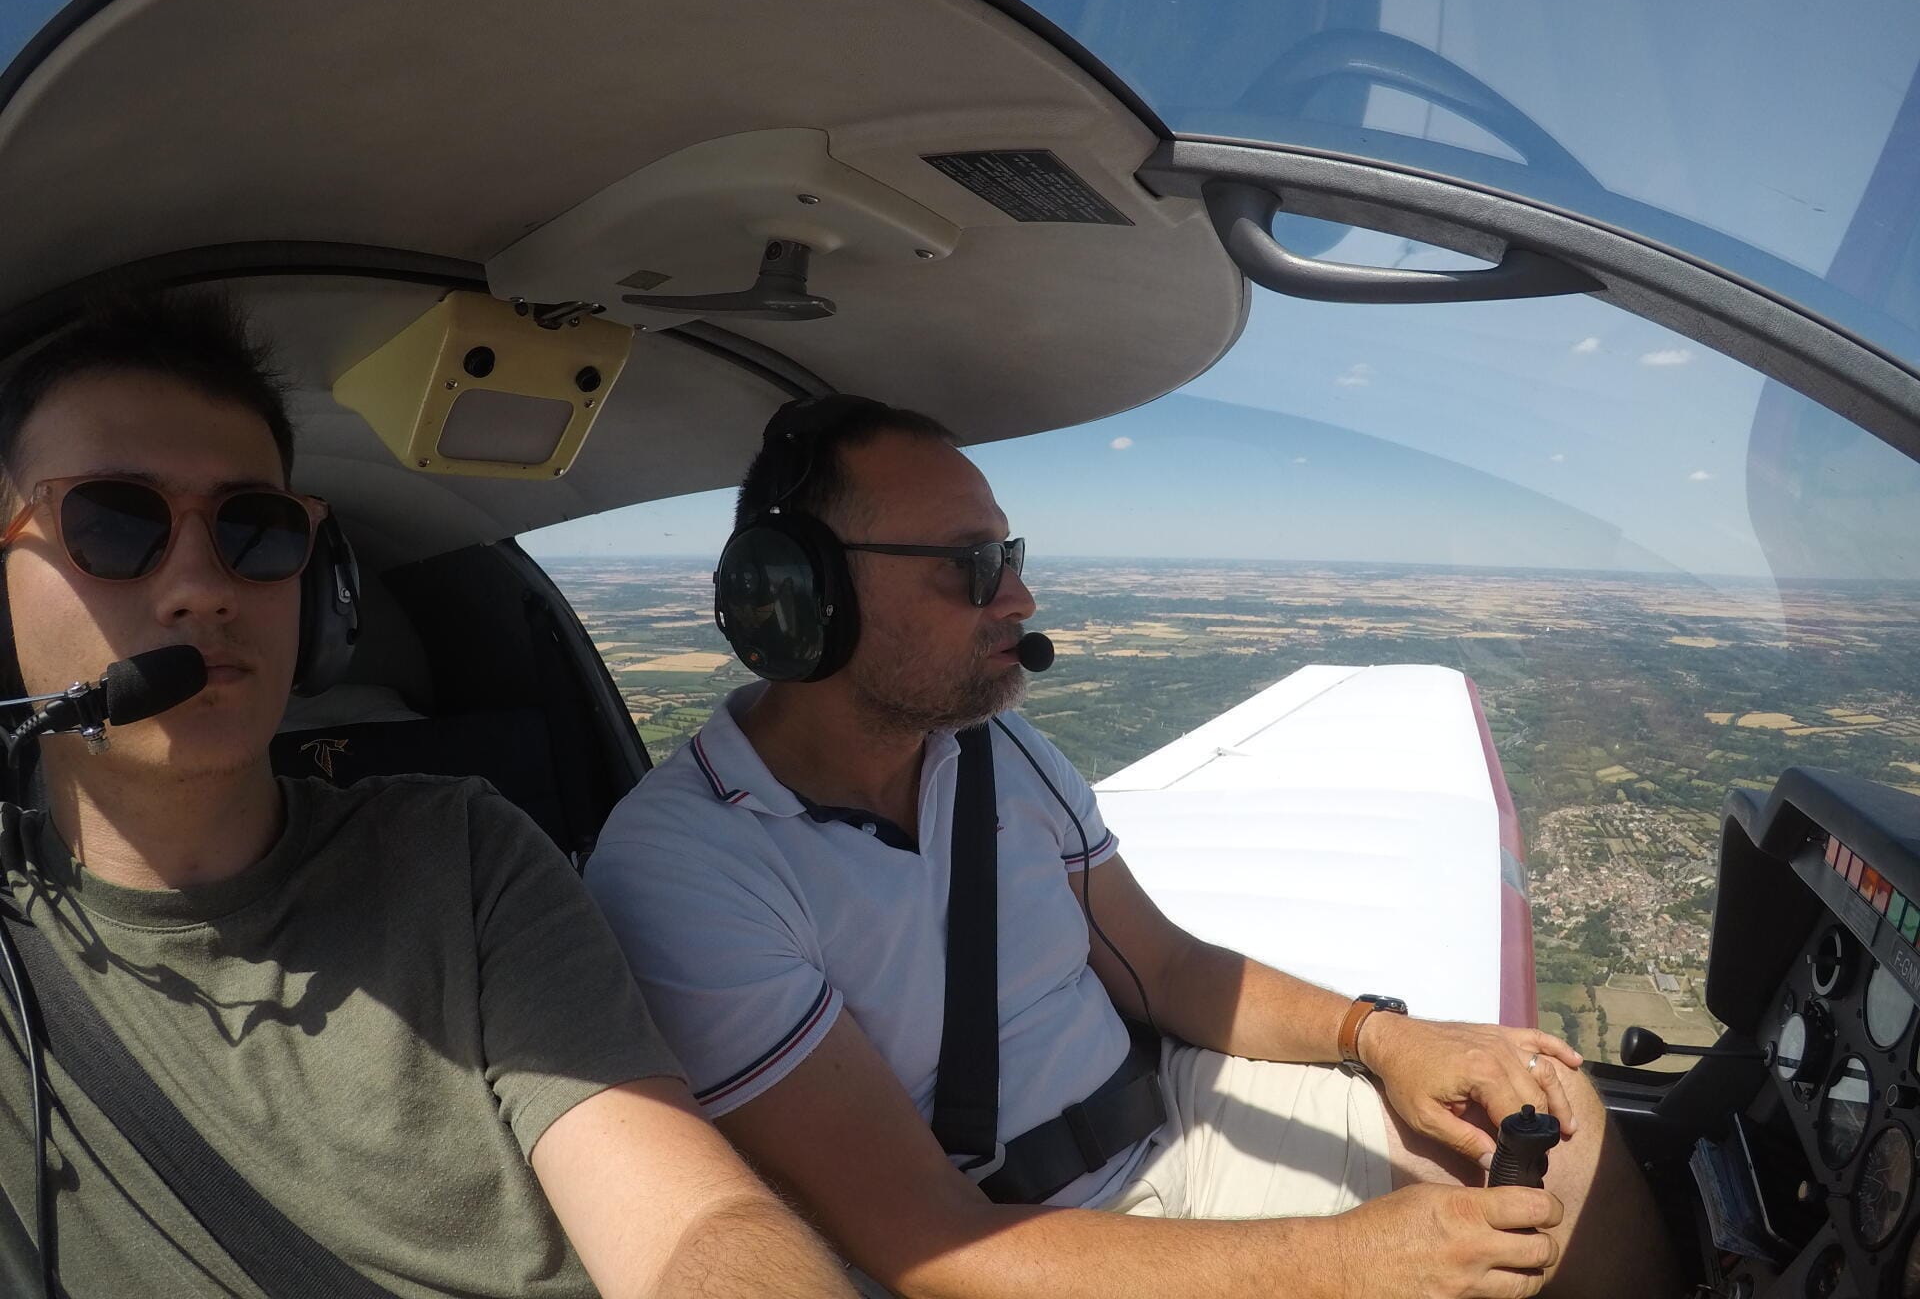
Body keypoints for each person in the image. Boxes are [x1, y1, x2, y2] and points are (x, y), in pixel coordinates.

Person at [586, 395, 1683, 1299]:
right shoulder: (691, 866)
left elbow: (1167, 967)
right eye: (972, 564)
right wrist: (1347, 1262)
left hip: (1170, 1124)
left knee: (1550, 1108)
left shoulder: (996, 751)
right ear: (802, 595)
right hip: (1010, 1243)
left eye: (1009, 554)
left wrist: (1386, 1038)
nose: (1019, 596)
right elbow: (929, 1243)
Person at [0, 291, 856, 1299]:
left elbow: (696, 1222)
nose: (205, 587)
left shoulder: (461, 855)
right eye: (112, 521)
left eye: (256, 530)